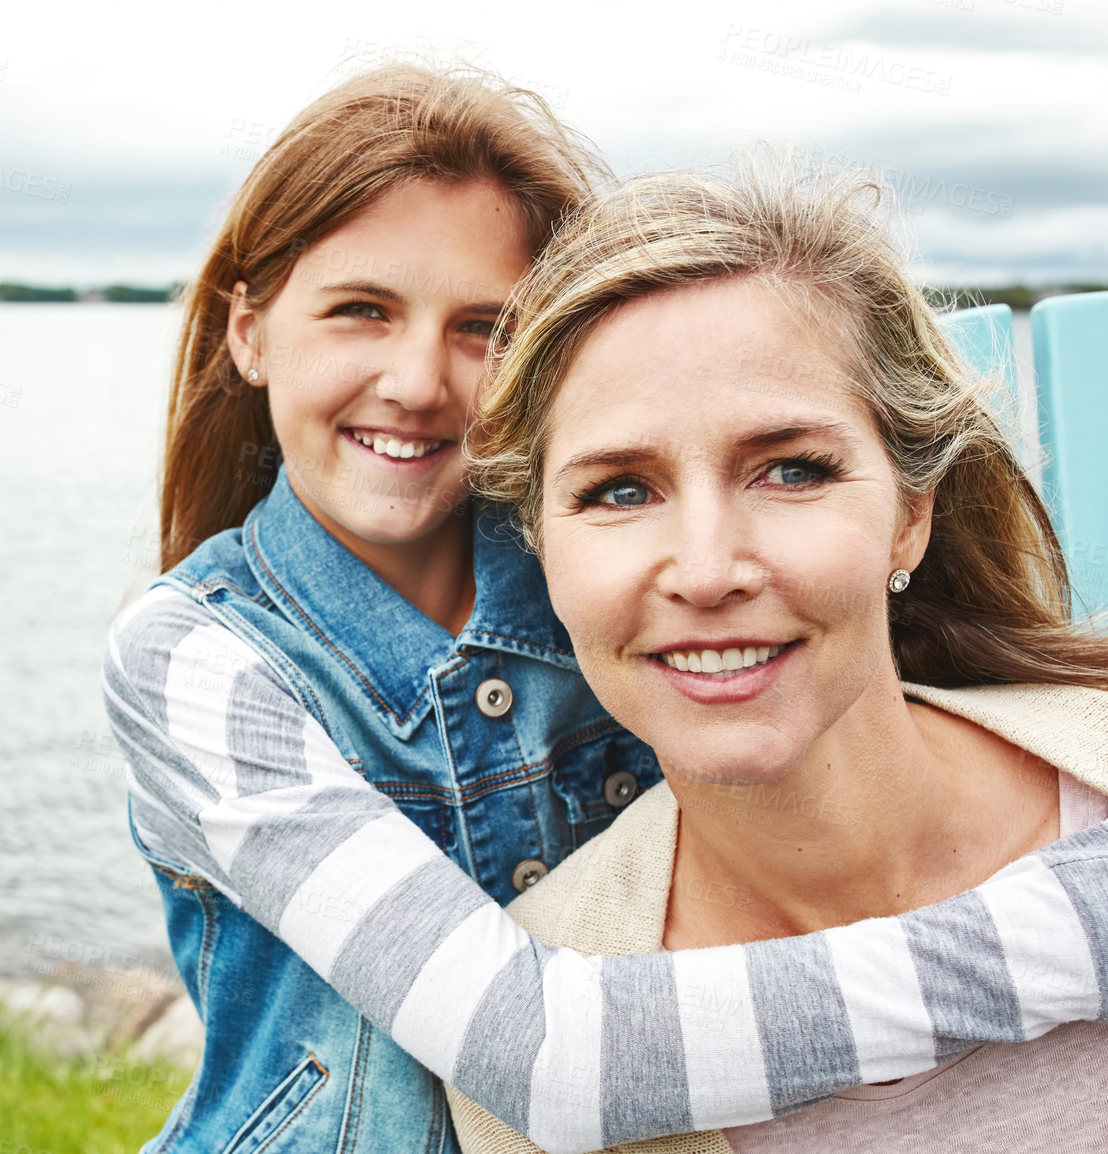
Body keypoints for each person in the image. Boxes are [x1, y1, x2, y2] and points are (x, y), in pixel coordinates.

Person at [104, 67, 1108, 1153]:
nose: (415, 380)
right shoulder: (193, 655)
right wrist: (1059, 931)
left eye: (482, 325)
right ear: (247, 330)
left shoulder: (608, 563)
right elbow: (541, 1052)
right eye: (361, 310)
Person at [446, 157, 1108, 1154]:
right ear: (542, 547)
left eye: (790, 469)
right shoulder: (527, 1044)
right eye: (620, 491)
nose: (706, 570)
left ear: (909, 514)